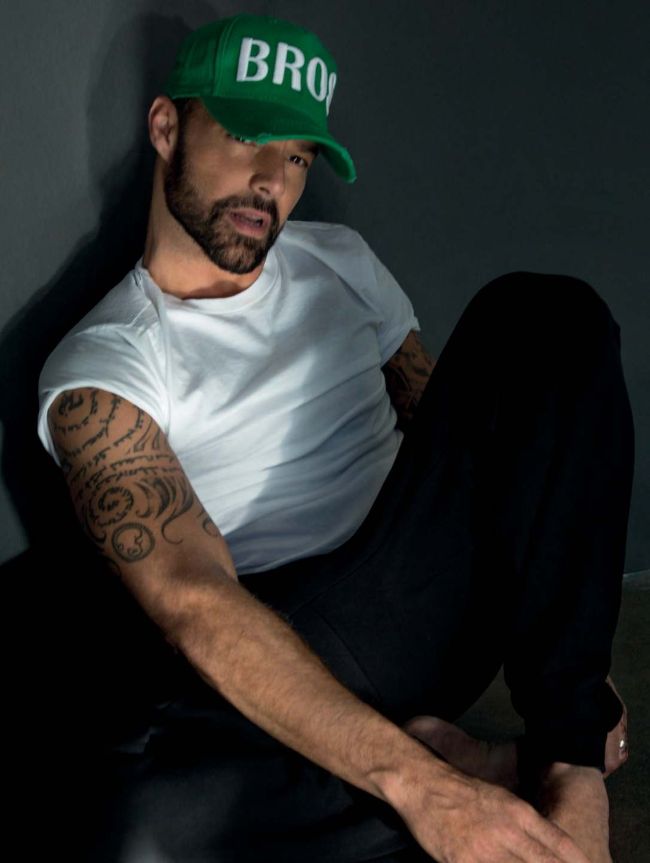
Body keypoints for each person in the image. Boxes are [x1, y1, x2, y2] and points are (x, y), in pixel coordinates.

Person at [37, 14, 633, 863]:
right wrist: (425, 789)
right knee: (140, 822)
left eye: (298, 157)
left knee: (545, 315)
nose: (269, 182)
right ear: (167, 127)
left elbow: (467, 438)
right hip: (293, 639)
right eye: (248, 137)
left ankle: (569, 770)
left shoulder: (341, 260)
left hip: (433, 590)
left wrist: (570, 632)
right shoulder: (106, 365)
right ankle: (460, 767)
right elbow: (192, 599)